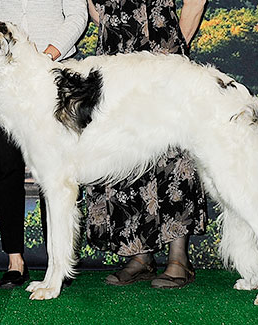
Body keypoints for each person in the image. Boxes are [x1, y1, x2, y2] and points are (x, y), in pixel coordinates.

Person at [86, 0, 207, 288]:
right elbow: (94, 8)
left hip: (162, 55)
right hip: (114, 59)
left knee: (174, 154)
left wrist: (174, 52)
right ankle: (140, 257)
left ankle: (179, 259)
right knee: (122, 152)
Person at [0, 0, 87, 288]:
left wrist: (49, 55)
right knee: (8, 164)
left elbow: (77, 15)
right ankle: (15, 261)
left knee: (55, 169)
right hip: (5, 75)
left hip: (54, 74)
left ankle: (56, 263)